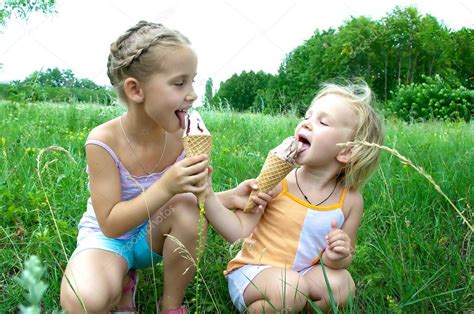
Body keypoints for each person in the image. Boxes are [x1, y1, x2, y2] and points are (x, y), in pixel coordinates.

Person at [59, 21, 270, 313]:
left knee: (185, 208)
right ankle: (121, 279)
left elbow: (182, 203)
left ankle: (170, 305)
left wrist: (230, 196)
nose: (193, 94)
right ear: (136, 90)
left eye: (193, 80)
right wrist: (167, 185)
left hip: (151, 236)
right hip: (108, 240)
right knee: (83, 302)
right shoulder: (102, 142)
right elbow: (111, 222)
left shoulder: (184, 136)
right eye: (179, 82)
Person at [203, 82, 384, 313]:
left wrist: (337, 255)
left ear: (347, 151)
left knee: (343, 286)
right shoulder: (279, 182)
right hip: (255, 272)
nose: (306, 122)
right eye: (307, 116)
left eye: (323, 122)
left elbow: (341, 260)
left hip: (303, 273)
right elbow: (237, 232)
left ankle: (294, 308)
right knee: (291, 288)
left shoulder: (351, 202)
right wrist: (207, 195)